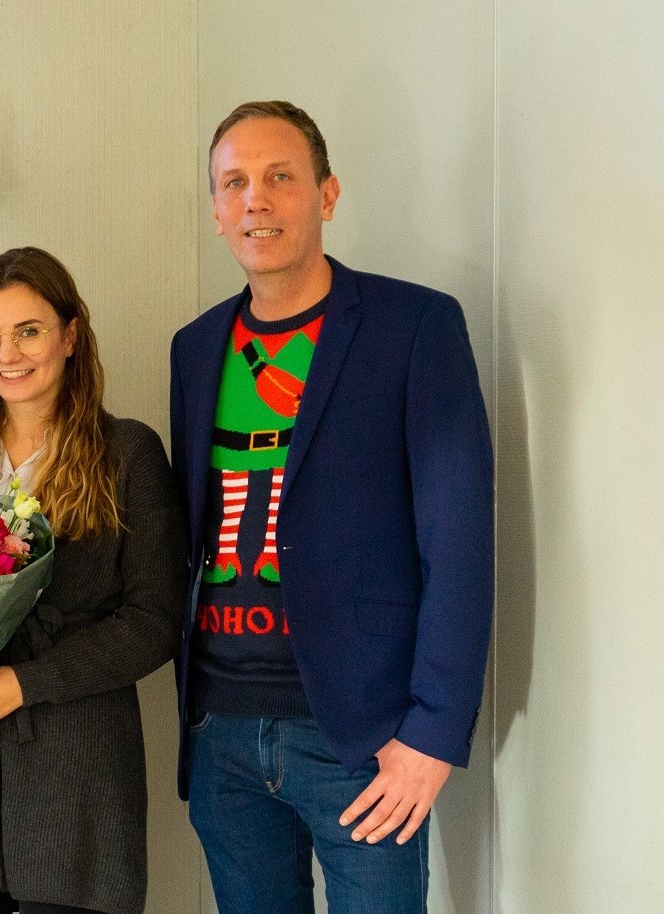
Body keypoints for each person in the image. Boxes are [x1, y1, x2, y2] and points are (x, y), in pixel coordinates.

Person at [169, 100, 495, 914]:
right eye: (235, 182)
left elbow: (459, 542)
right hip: (223, 737)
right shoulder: (196, 347)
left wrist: (430, 735)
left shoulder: (414, 327)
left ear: (327, 193)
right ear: (216, 211)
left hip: (360, 736)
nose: (257, 199)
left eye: (281, 176)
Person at [0, 247, 187, 914]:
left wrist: (22, 684)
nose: (9, 352)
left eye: (28, 330)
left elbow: (153, 623)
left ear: (70, 335)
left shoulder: (129, 453)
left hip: (78, 776)